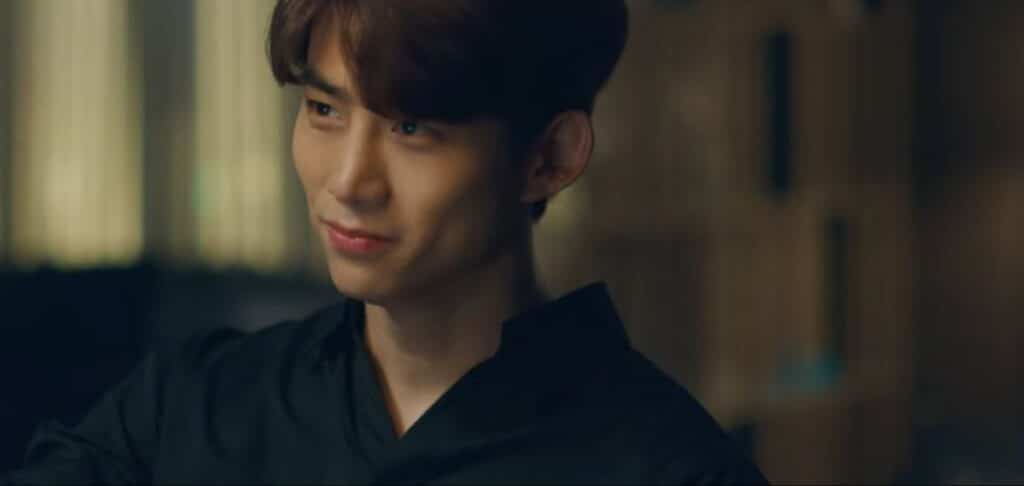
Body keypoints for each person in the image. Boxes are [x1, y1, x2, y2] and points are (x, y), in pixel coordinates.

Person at [2, 0, 768, 484]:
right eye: (324, 110)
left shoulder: (664, 465)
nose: (348, 181)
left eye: (411, 127)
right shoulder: (189, 409)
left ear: (548, 158)